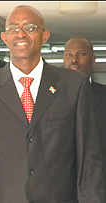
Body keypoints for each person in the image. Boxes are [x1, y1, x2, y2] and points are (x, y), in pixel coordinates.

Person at [0, 5, 105, 202]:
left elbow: (89, 161)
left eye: (30, 28)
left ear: (45, 36)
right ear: (4, 38)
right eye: (13, 29)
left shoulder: (74, 86)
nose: (21, 34)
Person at [63, 35, 106, 194]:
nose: (74, 59)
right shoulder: (47, 97)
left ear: (93, 59)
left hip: (98, 187)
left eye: (81, 54)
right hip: (59, 189)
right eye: (69, 54)